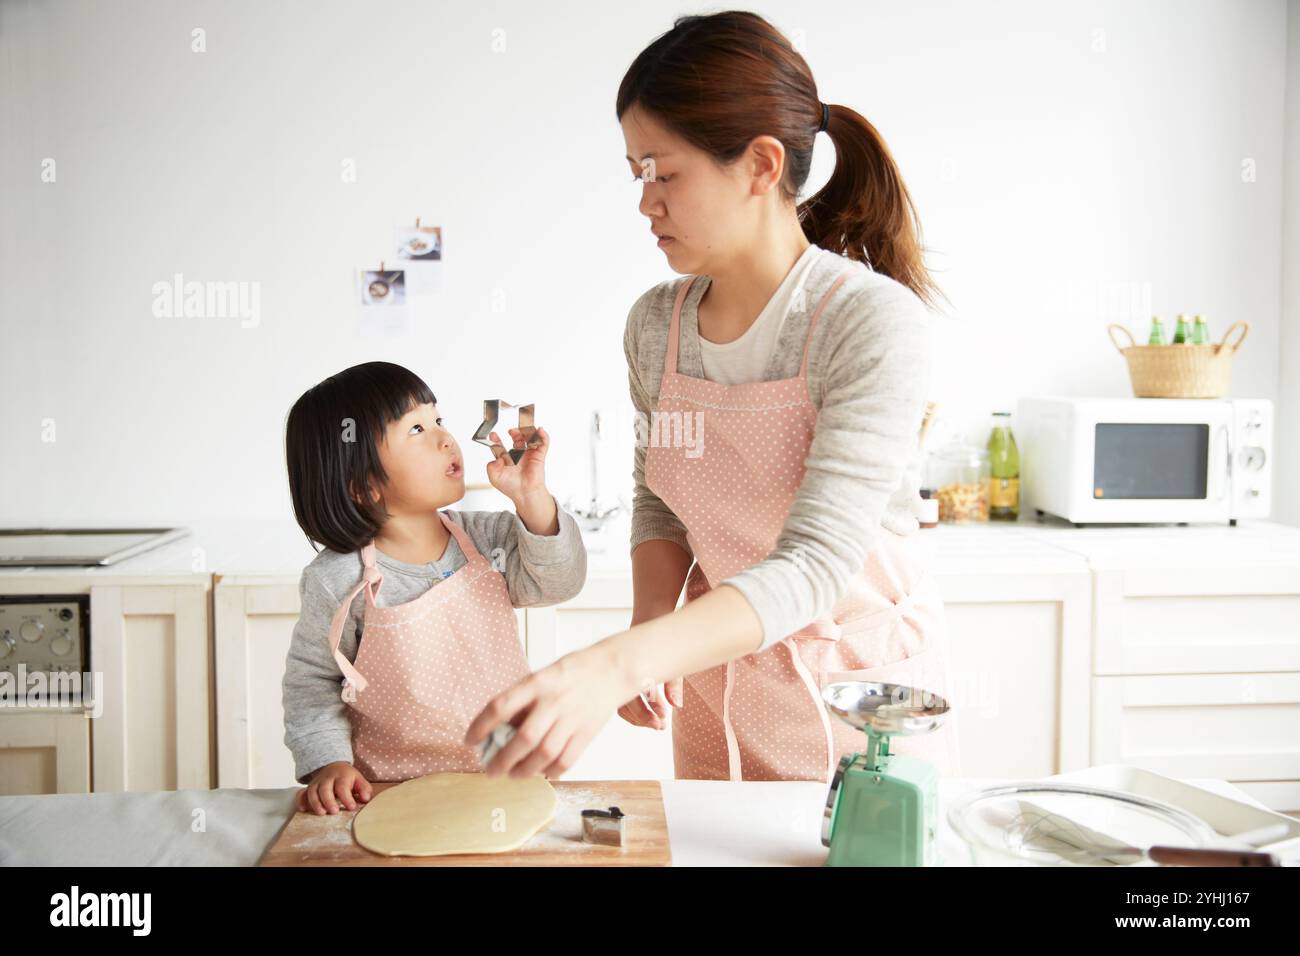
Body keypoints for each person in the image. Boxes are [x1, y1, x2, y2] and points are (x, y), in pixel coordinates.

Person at [466, 11, 961, 783]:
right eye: (637, 174)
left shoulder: (866, 323)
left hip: (861, 707)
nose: (645, 203)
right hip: (718, 691)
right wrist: (651, 624)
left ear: (761, 165)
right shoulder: (658, 326)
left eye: (664, 172)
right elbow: (660, 495)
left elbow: (817, 561)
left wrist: (614, 664)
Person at [281, 361, 586, 814]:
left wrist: (531, 498)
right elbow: (312, 685)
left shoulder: (489, 539)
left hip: (506, 779)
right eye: (417, 429)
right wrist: (328, 764)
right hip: (388, 793)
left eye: (438, 420)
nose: (445, 437)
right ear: (363, 486)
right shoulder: (338, 580)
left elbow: (560, 583)